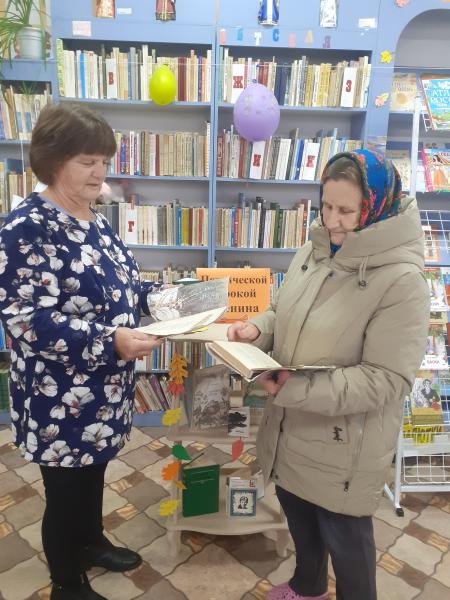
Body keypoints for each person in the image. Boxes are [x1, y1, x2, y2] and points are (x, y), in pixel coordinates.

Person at [228, 149, 430, 600]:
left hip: (344, 445)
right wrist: (257, 327)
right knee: (300, 519)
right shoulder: (314, 249)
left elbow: (387, 379)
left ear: (375, 208)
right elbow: (282, 310)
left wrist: (294, 388)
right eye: (326, 206)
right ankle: (308, 586)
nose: (333, 221)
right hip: (291, 426)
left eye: (346, 211)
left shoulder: (402, 282)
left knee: (347, 544)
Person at [0, 104, 164, 600]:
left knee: (93, 476)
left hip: (104, 390)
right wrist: (109, 340)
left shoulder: (94, 219)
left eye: (104, 161)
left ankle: (91, 543)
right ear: (54, 161)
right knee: (65, 495)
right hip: (58, 399)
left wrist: (173, 302)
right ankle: (66, 582)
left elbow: (124, 289)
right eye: (87, 161)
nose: (100, 172)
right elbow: (24, 319)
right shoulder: (25, 227)